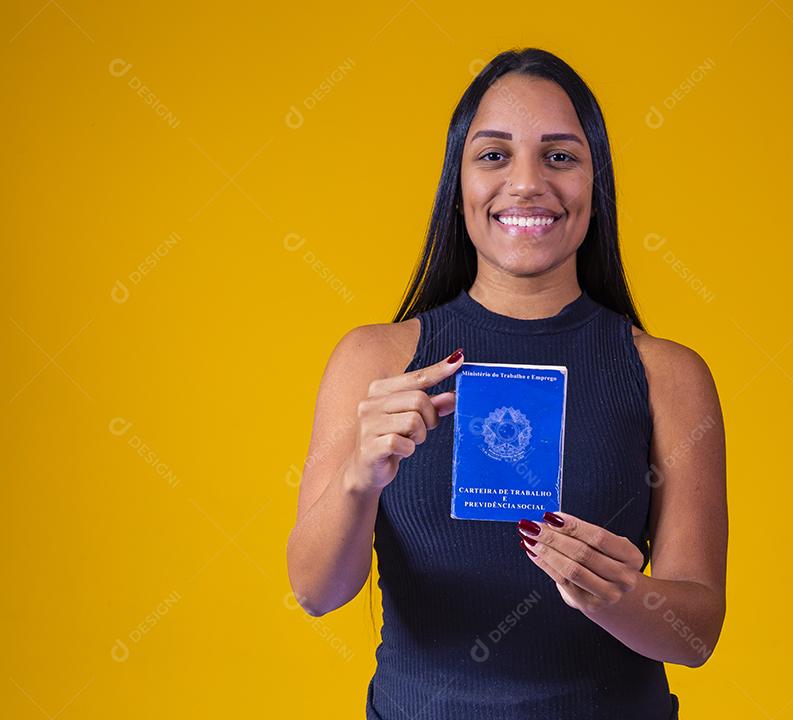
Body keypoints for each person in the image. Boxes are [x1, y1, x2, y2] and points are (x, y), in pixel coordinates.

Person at [286, 47, 727, 719]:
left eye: (560, 156)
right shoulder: (374, 360)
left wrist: (620, 595)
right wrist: (358, 475)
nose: (526, 183)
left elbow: (697, 636)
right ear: (457, 183)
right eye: (494, 155)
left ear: (595, 181)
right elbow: (317, 592)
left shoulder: (667, 374)